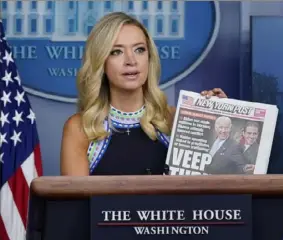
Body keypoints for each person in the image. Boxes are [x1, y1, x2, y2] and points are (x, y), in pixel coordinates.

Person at [60, 12, 228, 176]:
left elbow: (217, 190)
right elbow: (75, 203)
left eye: (139, 50)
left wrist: (219, 118)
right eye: (116, 52)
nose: (131, 61)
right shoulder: (81, 128)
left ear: (149, 58)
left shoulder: (174, 119)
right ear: (101, 62)